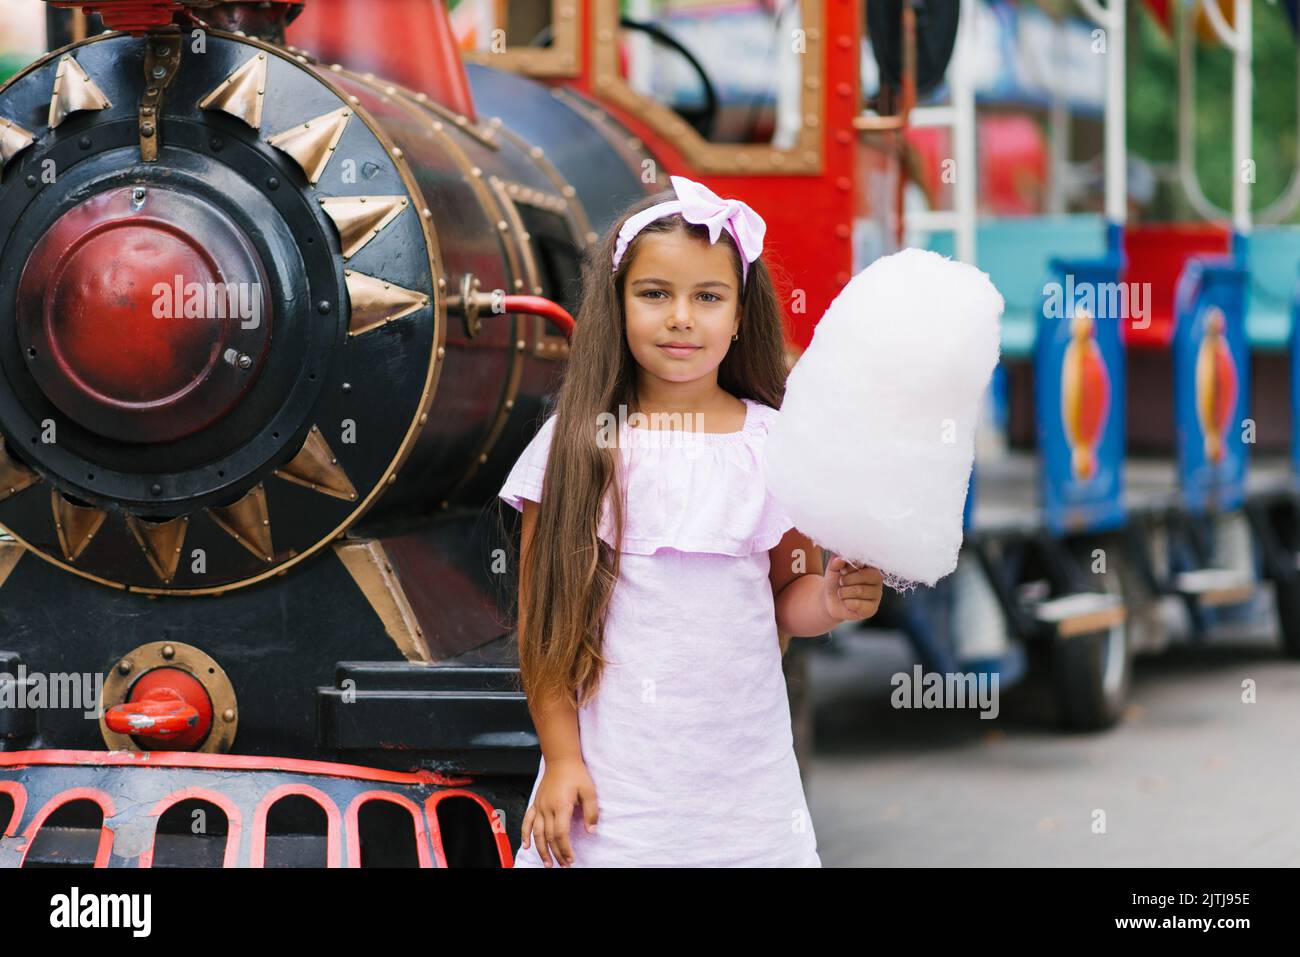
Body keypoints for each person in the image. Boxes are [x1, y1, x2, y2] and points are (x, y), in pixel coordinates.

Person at [497, 175, 884, 868]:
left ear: (739, 315)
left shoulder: (776, 446)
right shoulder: (580, 446)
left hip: (745, 792)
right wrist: (560, 758)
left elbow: (785, 596)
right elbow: (543, 624)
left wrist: (829, 598)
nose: (682, 317)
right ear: (617, 307)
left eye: (708, 297)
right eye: (655, 294)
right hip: (618, 792)